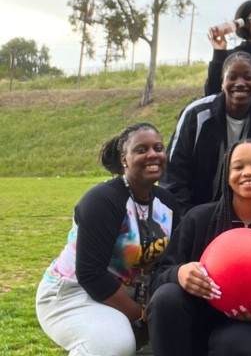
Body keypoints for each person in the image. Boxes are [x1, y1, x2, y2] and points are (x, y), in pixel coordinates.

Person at [35, 123, 180, 355]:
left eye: (158, 148)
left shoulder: (167, 203)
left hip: (123, 296)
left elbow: (170, 263)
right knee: (114, 344)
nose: (153, 154)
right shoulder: (102, 201)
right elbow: (90, 274)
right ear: (124, 159)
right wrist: (140, 316)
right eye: (141, 149)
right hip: (72, 293)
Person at [147, 138, 251, 356]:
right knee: (166, 298)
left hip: (238, 327)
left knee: (238, 342)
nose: (248, 172)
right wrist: (179, 273)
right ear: (227, 175)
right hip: (188, 319)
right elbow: (158, 279)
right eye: (238, 167)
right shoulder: (198, 219)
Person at [160, 51, 251, 216]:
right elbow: (173, 173)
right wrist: (185, 218)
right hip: (194, 212)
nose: (240, 83)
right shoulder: (196, 114)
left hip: (245, 216)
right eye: (232, 77)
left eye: (248, 77)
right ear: (222, 83)